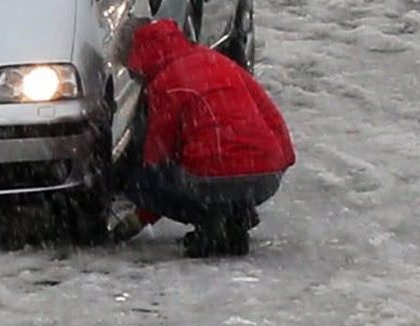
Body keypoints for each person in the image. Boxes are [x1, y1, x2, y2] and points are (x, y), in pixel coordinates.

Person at [116, 18, 295, 257]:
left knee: (140, 180)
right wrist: (278, 162)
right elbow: (272, 117)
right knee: (219, 171)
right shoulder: (217, 61)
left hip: (212, 178)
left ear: (137, 59)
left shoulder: (164, 84)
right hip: (266, 176)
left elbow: (158, 158)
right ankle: (235, 215)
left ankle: (210, 224)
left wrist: (141, 217)